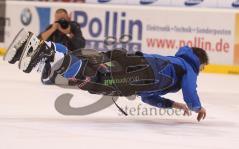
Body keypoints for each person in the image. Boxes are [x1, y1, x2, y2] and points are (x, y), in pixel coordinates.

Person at [5, 32, 208, 122]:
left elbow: (148, 97)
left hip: (133, 72)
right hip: (135, 73)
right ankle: (48, 55)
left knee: (90, 79)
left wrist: (174, 106)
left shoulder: (175, 63)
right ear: (198, 61)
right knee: (92, 77)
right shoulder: (187, 67)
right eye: (203, 67)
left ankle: (43, 53)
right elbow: (191, 92)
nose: (201, 71)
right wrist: (196, 107)